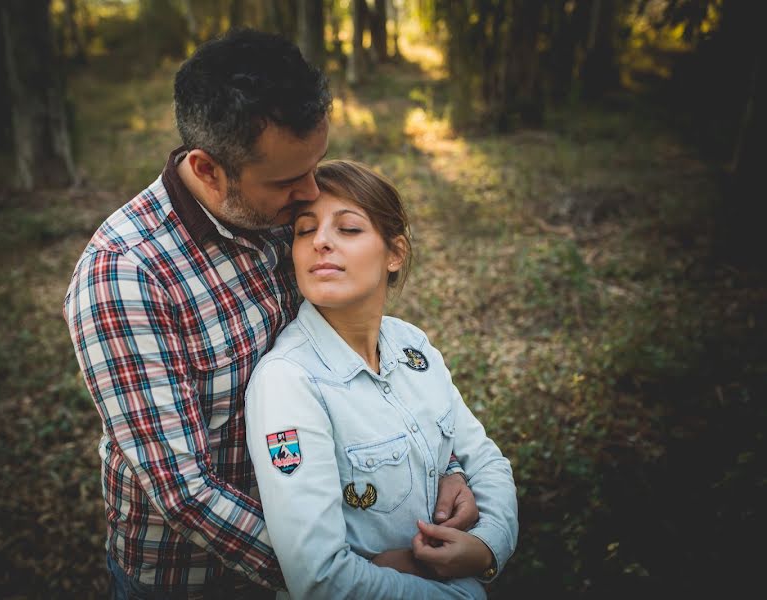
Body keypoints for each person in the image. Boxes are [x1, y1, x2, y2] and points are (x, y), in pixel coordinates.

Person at [63, 29, 478, 599]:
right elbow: (184, 489)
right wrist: (339, 571)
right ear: (208, 170)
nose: (311, 193)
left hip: (334, 531)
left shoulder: (292, 215)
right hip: (202, 577)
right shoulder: (126, 277)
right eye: (288, 180)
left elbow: (364, 356)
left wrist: (443, 465)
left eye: (316, 166)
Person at [244, 160, 518, 599]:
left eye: (348, 229)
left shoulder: (414, 347)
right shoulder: (289, 382)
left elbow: (485, 461)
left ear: (395, 254)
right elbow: (320, 578)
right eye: (304, 231)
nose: (321, 242)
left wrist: (487, 548)